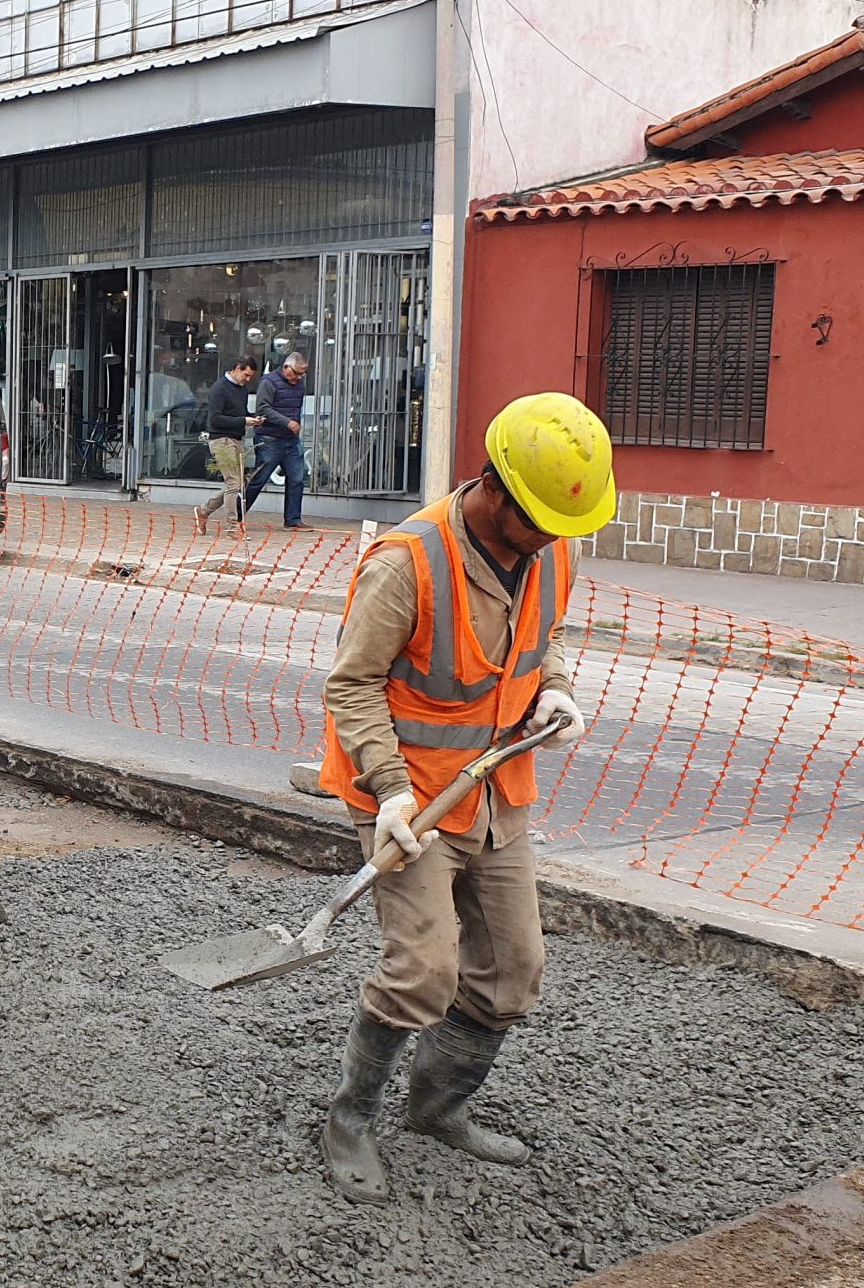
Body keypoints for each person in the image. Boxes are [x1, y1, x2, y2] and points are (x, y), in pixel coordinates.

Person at [309, 392, 616, 1204]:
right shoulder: (406, 564)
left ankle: (437, 1108)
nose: (550, 538)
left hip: (497, 787)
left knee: (515, 968)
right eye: (538, 520)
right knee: (423, 967)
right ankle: (350, 1120)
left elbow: (540, 634)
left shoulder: (553, 550)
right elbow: (352, 684)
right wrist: (388, 791)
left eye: (563, 526)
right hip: (409, 800)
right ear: (492, 487)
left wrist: (554, 687)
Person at [192, 358, 263, 535]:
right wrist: (243, 420)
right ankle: (233, 527)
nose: (247, 380)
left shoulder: (242, 389)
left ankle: (204, 511)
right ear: (237, 369)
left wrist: (252, 419)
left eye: (250, 377)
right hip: (221, 440)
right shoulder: (219, 388)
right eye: (246, 375)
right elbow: (215, 418)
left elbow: (240, 413)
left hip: (237, 438)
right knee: (233, 483)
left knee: (237, 484)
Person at [250, 352, 312, 530]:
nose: (299, 378)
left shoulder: (299, 383)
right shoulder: (268, 382)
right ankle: (236, 516)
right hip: (269, 438)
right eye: (297, 373)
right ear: (286, 368)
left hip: (291, 440)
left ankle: (293, 520)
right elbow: (262, 408)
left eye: (302, 374)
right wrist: (287, 422)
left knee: (297, 478)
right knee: (258, 480)